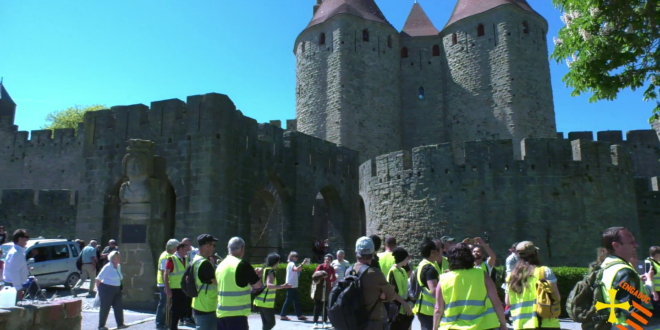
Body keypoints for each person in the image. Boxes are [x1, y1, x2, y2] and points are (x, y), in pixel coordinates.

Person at [432, 243, 507, 330]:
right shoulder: (482, 275)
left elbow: (438, 309)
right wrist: (503, 324)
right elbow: (496, 302)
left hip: (452, 326)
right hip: (482, 326)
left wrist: (434, 328)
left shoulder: (444, 279)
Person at [597, 227, 656, 330]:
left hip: (615, 325)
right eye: (631, 242)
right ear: (616, 246)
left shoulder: (605, 267)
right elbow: (634, 313)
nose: (636, 245)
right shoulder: (624, 272)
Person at [505, 241, 560, 329]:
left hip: (520, 324)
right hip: (545, 323)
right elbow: (557, 297)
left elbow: (507, 302)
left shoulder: (511, 277)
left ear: (518, 256)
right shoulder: (544, 271)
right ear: (535, 254)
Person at [348, 236, 396, 330]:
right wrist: (380, 295)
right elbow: (391, 295)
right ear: (372, 253)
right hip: (372, 323)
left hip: (352, 322)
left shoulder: (349, 270)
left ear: (356, 252)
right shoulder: (375, 273)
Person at [216, 237, 261, 330]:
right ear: (242, 248)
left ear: (228, 248)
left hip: (221, 314)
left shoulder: (220, 265)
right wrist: (259, 275)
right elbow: (258, 285)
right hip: (237, 316)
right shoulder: (242, 265)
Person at [254, 253, 291, 330]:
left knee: (266, 324)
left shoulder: (265, 269)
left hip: (259, 301)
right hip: (266, 302)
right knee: (271, 323)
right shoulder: (271, 271)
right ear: (276, 261)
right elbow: (269, 285)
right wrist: (283, 286)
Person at [414, 237, 443, 330]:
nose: (439, 252)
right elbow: (434, 290)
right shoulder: (430, 269)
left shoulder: (422, 264)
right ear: (432, 252)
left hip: (423, 309)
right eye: (437, 250)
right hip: (429, 310)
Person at [191, 234, 219, 330]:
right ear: (207, 245)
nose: (213, 249)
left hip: (199, 304)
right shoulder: (205, 264)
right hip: (207, 307)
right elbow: (219, 283)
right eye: (213, 245)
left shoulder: (196, 259)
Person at [96, 251, 127, 330]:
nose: (120, 258)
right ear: (113, 258)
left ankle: (120, 324)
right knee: (105, 308)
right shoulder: (108, 266)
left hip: (117, 288)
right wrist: (100, 291)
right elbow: (98, 279)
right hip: (107, 289)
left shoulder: (118, 266)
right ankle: (101, 326)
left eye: (120, 256)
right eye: (118, 257)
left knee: (118, 307)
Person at [387, 247, 414, 330]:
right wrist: (405, 304)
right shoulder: (393, 271)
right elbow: (392, 292)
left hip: (403, 309)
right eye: (407, 258)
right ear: (403, 258)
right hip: (396, 309)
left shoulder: (402, 271)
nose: (408, 260)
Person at [164, 242, 188, 330]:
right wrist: (167, 288)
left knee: (183, 309)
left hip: (184, 289)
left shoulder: (186, 259)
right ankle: (173, 327)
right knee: (175, 310)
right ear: (180, 249)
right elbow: (166, 274)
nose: (186, 252)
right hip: (175, 288)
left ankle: (177, 324)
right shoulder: (172, 259)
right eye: (185, 250)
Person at [280, 251, 309, 321]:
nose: (297, 258)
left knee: (296, 301)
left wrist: (301, 266)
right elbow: (296, 269)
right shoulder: (292, 263)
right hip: (291, 285)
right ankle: (283, 315)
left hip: (292, 285)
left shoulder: (292, 264)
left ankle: (299, 315)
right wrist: (303, 263)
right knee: (289, 301)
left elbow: (298, 270)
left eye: (297, 256)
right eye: (296, 256)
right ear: (292, 257)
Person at [156, 239, 179, 330]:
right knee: (164, 304)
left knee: (167, 304)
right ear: (173, 248)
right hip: (164, 284)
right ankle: (160, 323)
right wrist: (167, 286)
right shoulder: (165, 257)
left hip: (167, 284)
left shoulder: (170, 255)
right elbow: (163, 272)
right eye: (177, 247)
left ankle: (166, 322)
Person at [4, 229, 30, 301]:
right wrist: (18, 289)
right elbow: (14, 272)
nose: (28, 239)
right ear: (20, 239)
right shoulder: (16, 253)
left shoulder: (18, 252)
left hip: (14, 285)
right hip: (13, 287)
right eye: (26, 237)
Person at [313, 254, 337, 328]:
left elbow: (334, 279)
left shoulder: (332, 268)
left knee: (326, 305)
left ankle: (324, 321)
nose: (327, 261)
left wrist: (332, 278)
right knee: (317, 305)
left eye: (329, 260)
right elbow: (314, 275)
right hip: (319, 288)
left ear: (331, 261)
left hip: (327, 288)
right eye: (326, 259)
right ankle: (315, 322)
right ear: (324, 260)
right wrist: (322, 276)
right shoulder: (320, 266)